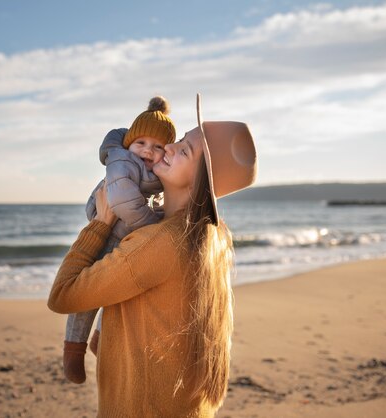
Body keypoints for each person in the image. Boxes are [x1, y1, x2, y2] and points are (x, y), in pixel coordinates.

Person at [48, 94, 257, 417]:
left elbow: (63, 295)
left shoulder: (158, 243)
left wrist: (101, 225)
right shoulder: (210, 239)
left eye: (184, 150)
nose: (167, 147)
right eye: (179, 140)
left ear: (200, 178)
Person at [63, 96, 176, 384]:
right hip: (111, 227)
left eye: (157, 146)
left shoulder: (154, 173)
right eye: (141, 143)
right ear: (129, 143)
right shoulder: (122, 161)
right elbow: (123, 201)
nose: (148, 151)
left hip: (127, 231)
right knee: (90, 292)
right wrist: (152, 228)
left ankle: (101, 338)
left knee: (118, 290)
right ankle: (73, 349)